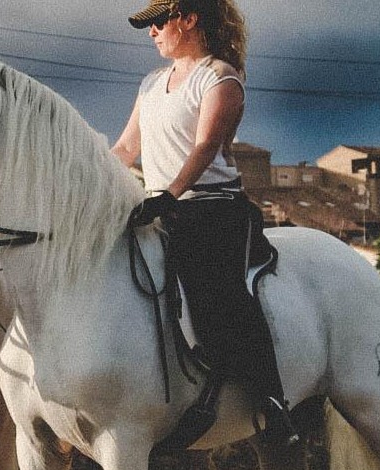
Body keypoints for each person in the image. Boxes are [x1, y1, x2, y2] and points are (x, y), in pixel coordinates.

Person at [111, 0, 299, 446]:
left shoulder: (220, 78)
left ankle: (271, 400)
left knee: (217, 288)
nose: (152, 32)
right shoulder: (151, 85)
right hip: (159, 205)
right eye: (149, 25)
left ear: (188, 18)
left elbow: (205, 147)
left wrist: (168, 194)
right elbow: (124, 149)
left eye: (159, 22)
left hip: (211, 207)